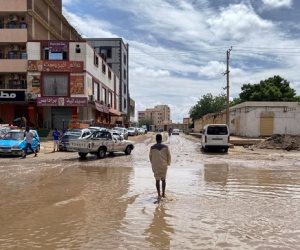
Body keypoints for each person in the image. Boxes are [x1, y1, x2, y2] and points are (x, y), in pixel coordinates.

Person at [149, 134, 171, 199]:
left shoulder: (152, 148)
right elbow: (169, 156)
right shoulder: (166, 147)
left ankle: (159, 195)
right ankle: (163, 194)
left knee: (157, 180)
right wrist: (168, 163)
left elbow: (150, 157)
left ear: (156, 139)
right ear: (161, 139)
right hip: (164, 166)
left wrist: (153, 163)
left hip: (156, 166)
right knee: (163, 180)